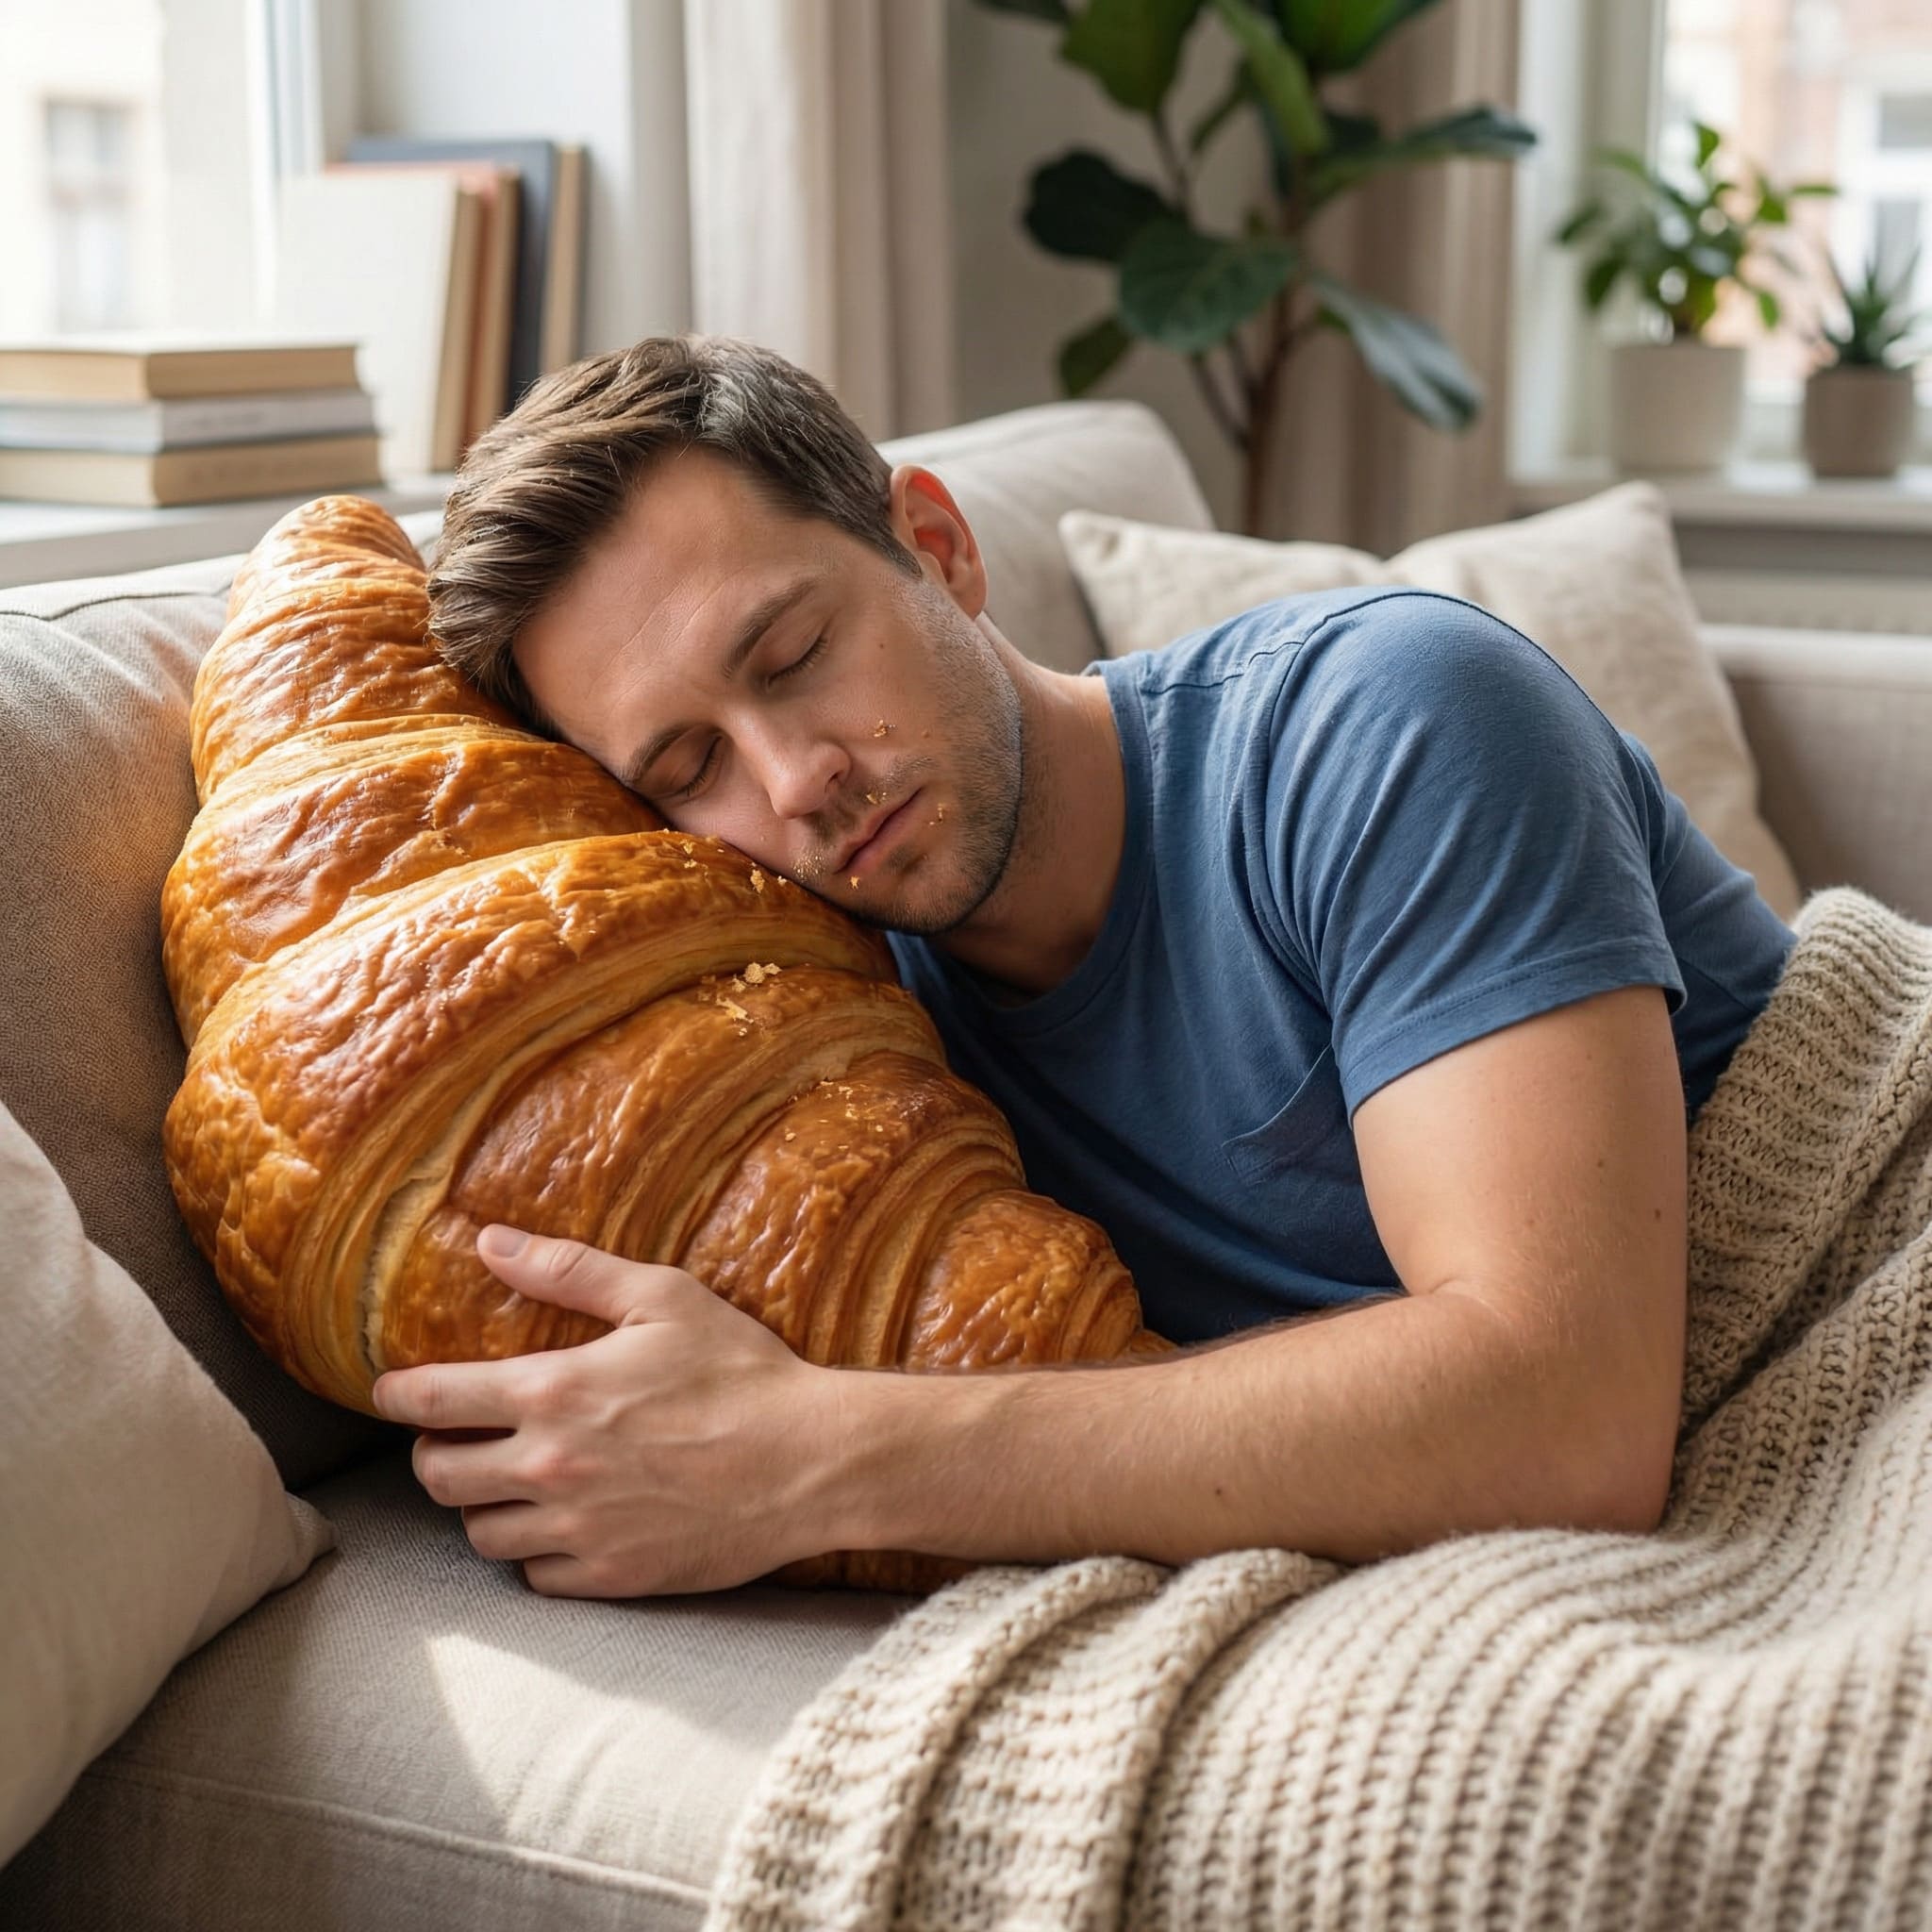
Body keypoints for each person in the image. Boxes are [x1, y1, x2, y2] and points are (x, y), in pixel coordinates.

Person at [369, 334, 1796, 1600]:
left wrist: (822, 1454)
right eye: (691, 766)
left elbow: (1570, 1414)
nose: (797, 780)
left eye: (797, 653)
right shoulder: (834, 1040)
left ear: (936, 544)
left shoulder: (1387, 716)